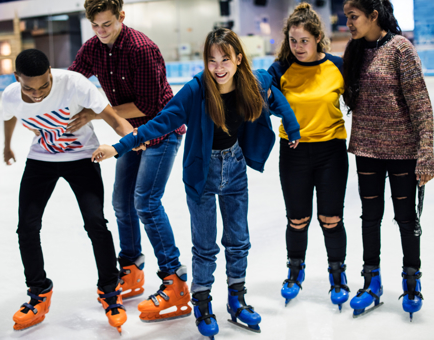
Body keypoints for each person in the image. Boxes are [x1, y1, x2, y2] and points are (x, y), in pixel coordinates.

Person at [91, 28, 300, 338]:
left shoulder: (252, 80)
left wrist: (292, 127)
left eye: (225, 60)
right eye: (211, 60)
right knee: (204, 247)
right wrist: (119, 146)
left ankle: (237, 298)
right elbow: (162, 121)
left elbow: (274, 94)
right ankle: (202, 302)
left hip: (236, 167)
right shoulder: (196, 89)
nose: (218, 67)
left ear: (238, 59)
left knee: (238, 241)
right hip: (202, 175)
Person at [67, 0, 189, 322]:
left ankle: (174, 280)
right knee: (122, 203)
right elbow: (73, 80)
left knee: (146, 203)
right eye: (95, 26)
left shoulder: (141, 49)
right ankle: (132, 267)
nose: (101, 32)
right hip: (131, 134)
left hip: (162, 130)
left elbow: (149, 105)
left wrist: (95, 112)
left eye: (107, 24)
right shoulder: (93, 47)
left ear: (121, 16)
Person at [3, 49, 132, 333]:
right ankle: (38, 293)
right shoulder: (11, 94)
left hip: (83, 159)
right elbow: (9, 115)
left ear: (51, 73)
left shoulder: (74, 83)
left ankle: (110, 290)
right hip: (41, 161)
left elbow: (111, 117)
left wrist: (133, 137)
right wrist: (6, 144)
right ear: (17, 79)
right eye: (28, 88)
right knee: (26, 227)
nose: (36, 94)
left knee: (96, 223)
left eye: (43, 86)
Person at [343, 0, 434, 320]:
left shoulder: (400, 49)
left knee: (406, 219)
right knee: (370, 217)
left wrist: (427, 155)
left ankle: (411, 281)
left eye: (353, 17)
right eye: (347, 17)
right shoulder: (354, 51)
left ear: (373, 15)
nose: (349, 23)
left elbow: (421, 105)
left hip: (403, 151)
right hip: (367, 148)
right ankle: (372, 282)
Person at [267, 3, 350, 311]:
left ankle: (337, 273)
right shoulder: (280, 70)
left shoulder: (337, 66)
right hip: (294, 153)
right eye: (293, 40)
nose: (298, 47)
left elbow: (361, 101)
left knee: (331, 219)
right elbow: (258, 99)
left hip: (331, 152)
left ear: (317, 39)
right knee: (297, 219)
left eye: (304, 40)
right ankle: (295, 270)